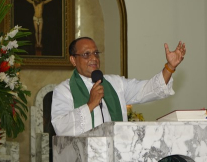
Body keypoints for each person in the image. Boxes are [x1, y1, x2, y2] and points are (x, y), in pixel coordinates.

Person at [51, 36, 186, 136]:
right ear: (73, 60)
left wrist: (169, 67)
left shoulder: (115, 84)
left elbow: (147, 90)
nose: (94, 58)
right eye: (86, 54)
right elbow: (60, 127)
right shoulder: (64, 91)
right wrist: (90, 105)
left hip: (116, 155)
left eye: (96, 53)